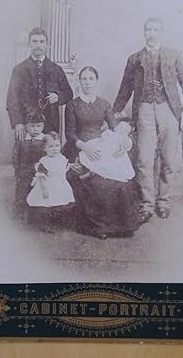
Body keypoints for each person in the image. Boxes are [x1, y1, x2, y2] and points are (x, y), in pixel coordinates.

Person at [113, 18, 183, 219]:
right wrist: (116, 110)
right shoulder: (134, 58)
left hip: (169, 109)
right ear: (144, 32)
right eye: (148, 29)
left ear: (161, 32)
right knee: (144, 159)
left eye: (156, 29)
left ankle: (163, 201)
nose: (152, 33)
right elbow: (125, 87)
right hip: (144, 109)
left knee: (168, 158)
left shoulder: (173, 55)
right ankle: (147, 204)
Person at [64, 66, 141, 239]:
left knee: (122, 180)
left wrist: (125, 144)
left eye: (91, 78)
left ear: (96, 81)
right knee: (96, 182)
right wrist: (85, 147)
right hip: (80, 146)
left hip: (102, 146)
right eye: (84, 78)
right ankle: (97, 226)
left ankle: (121, 226)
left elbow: (115, 129)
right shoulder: (72, 105)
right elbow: (69, 133)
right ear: (79, 81)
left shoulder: (104, 104)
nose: (88, 82)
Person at [6, 27, 73, 139]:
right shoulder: (19, 70)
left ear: (46, 44)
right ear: (29, 44)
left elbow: (69, 93)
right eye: (35, 41)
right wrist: (18, 122)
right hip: (27, 124)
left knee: (50, 154)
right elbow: (12, 99)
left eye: (42, 42)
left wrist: (58, 97)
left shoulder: (56, 69)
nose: (38, 45)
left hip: (51, 123)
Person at [12, 111, 46, 221]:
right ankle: (21, 213)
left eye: (38, 126)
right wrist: (17, 170)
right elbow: (15, 155)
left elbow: (47, 157)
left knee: (37, 191)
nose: (35, 129)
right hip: (24, 170)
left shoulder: (44, 140)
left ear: (43, 126)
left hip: (38, 171)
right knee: (22, 190)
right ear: (26, 126)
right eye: (32, 126)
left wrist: (43, 170)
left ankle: (35, 214)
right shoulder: (22, 141)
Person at [79, 117, 135, 182]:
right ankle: (89, 172)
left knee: (109, 168)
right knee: (96, 161)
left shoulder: (125, 139)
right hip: (104, 150)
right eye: (120, 127)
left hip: (114, 156)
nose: (121, 131)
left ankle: (95, 174)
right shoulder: (110, 133)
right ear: (116, 127)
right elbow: (103, 137)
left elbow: (128, 146)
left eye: (125, 131)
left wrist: (123, 148)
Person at [27, 132, 75, 208]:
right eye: (51, 147)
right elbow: (41, 176)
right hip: (48, 184)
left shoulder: (62, 158)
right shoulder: (45, 162)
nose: (54, 149)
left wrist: (71, 166)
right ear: (44, 148)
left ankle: (59, 209)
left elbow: (63, 168)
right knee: (48, 201)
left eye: (57, 146)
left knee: (62, 200)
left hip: (61, 183)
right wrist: (44, 189)